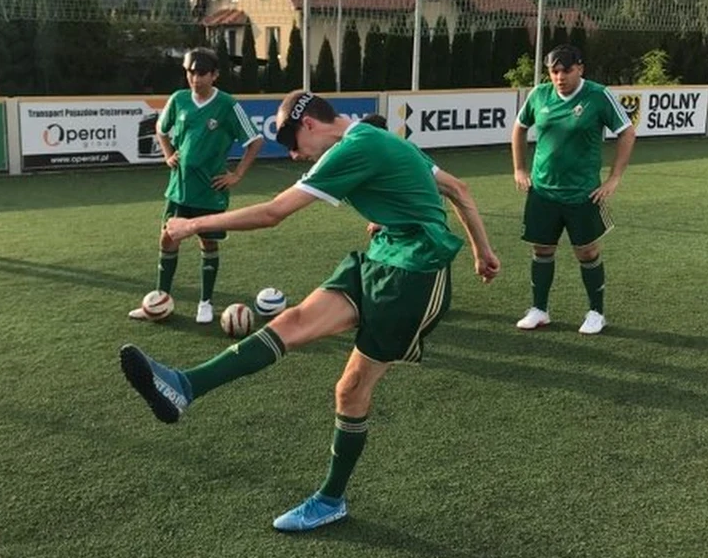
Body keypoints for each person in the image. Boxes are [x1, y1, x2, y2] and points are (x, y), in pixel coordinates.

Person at [119, 90, 501, 532]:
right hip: (379, 257)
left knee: (350, 391)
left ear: (310, 124)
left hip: (415, 274)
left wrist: (192, 224)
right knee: (292, 322)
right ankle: (184, 387)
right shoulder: (379, 140)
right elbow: (456, 187)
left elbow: (273, 213)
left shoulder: (356, 146)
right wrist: (482, 251)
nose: (297, 155)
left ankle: (331, 499)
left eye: (294, 144)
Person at [128, 47, 263, 324]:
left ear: (215, 75)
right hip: (179, 188)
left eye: (201, 73)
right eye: (190, 72)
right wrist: (168, 154)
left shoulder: (227, 105)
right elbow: (161, 129)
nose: (195, 78)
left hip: (210, 189)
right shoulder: (178, 100)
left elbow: (255, 140)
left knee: (208, 241)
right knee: (167, 238)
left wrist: (236, 175)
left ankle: (205, 302)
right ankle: (159, 299)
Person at [510, 44, 636, 334]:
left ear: (580, 68)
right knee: (542, 248)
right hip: (542, 191)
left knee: (587, 251)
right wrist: (519, 169)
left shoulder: (598, 95)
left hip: (583, 193)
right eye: (554, 71)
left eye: (566, 70)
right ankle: (539, 309)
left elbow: (627, 132)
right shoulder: (538, 95)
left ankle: (596, 312)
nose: (559, 77)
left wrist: (614, 178)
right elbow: (519, 128)